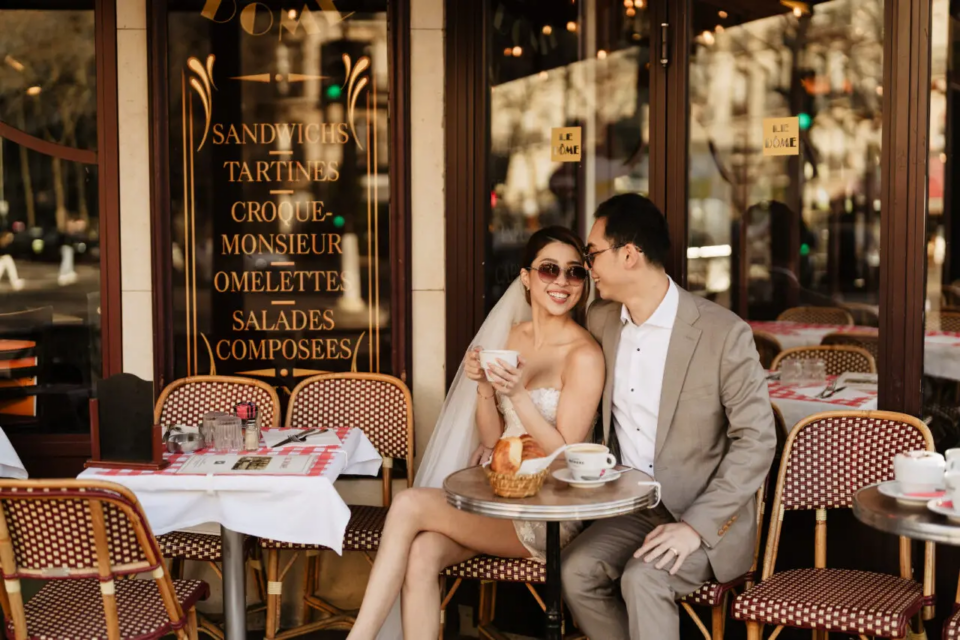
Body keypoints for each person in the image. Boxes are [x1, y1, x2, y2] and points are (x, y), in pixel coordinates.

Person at [347, 226, 605, 640]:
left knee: (410, 503)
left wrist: (517, 393)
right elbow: (491, 439)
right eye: (549, 269)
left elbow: (565, 456)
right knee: (422, 552)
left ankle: (358, 637)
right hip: (498, 494)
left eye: (575, 273)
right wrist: (484, 387)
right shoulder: (512, 336)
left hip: (546, 513)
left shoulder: (584, 354)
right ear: (526, 277)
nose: (562, 281)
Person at [561, 194, 776, 640]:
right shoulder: (601, 320)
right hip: (633, 508)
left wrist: (695, 527)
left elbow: (757, 440)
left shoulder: (723, 333)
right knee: (575, 571)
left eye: (592, 253)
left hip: (706, 514)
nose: (588, 266)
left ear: (629, 255)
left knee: (644, 577)